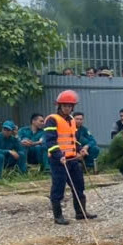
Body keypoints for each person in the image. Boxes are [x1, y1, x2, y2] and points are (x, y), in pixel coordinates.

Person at [44, 90, 96, 225]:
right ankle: (58, 216)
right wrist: (58, 155)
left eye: (70, 106)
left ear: (73, 107)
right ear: (59, 106)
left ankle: (81, 212)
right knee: (58, 188)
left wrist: (80, 149)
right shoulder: (52, 120)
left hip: (72, 159)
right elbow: (50, 141)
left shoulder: (72, 120)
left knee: (79, 186)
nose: (67, 108)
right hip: (58, 161)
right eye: (65, 105)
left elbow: (73, 139)